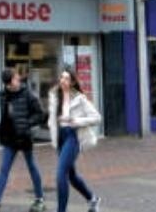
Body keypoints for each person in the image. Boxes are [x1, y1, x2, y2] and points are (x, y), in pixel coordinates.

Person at [0, 68, 46, 212]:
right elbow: (6, 118)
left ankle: (40, 199)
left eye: (17, 78)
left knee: (32, 167)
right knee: (4, 169)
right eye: (15, 79)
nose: (18, 80)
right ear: (8, 84)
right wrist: (1, 131)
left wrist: (26, 124)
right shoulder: (4, 96)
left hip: (24, 137)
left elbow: (40, 114)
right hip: (10, 139)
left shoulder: (28, 94)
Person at [47, 67, 102, 212]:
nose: (63, 81)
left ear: (71, 83)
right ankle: (93, 199)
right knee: (71, 175)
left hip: (73, 137)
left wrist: (76, 120)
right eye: (61, 77)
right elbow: (52, 118)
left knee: (60, 174)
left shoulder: (79, 98)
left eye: (66, 78)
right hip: (60, 137)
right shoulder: (54, 96)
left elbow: (97, 118)